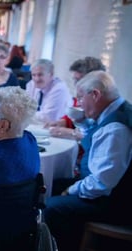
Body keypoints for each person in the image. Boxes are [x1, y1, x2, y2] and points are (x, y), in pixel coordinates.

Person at [43, 71, 132, 251]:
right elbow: (95, 139)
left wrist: (72, 189)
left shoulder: (116, 128)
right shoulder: (114, 112)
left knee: (53, 207)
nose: (79, 104)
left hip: (117, 202)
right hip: (111, 190)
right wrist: (82, 121)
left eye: (81, 98)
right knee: (51, 185)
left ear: (96, 94)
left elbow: (102, 183)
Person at [45, 56, 106, 139]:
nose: (76, 85)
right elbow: (79, 116)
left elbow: (97, 136)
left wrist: (72, 133)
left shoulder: (101, 103)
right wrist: (64, 122)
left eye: (79, 80)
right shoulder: (84, 96)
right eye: (75, 80)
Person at [25, 59, 72, 123]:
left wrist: (24, 115)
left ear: (51, 74)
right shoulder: (31, 84)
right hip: (37, 126)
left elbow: (48, 117)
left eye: (40, 75)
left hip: (56, 128)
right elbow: (26, 107)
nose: (36, 79)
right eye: (33, 75)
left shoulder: (59, 89)